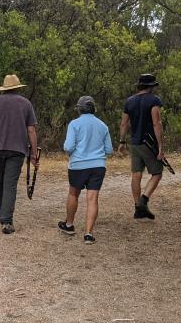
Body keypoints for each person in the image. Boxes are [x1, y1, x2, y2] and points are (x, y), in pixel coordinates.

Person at [0, 74, 38, 234]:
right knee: (10, 184)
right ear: (17, 87)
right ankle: (6, 221)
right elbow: (31, 130)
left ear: (5, 88)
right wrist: (33, 154)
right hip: (17, 149)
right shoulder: (26, 103)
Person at [59, 96, 113, 244]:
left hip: (78, 164)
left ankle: (69, 225)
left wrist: (71, 152)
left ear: (80, 109)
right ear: (93, 109)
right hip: (98, 166)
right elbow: (109, 149)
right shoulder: (103, 125)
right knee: (92, 198)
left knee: (73, 193)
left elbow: (68, 146)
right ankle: (88, 234)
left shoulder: (74, 124)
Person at [119, 73, 165, 220]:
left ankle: (137, 208)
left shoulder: (129, 101)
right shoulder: (154, 100)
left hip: (134, 142)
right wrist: (160, 147)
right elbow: (156, 123)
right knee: (157, 172)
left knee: (136, 174)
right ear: (151, 87)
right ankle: (143, 201)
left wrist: (122, 141)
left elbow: (124, 123)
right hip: (149, 142)